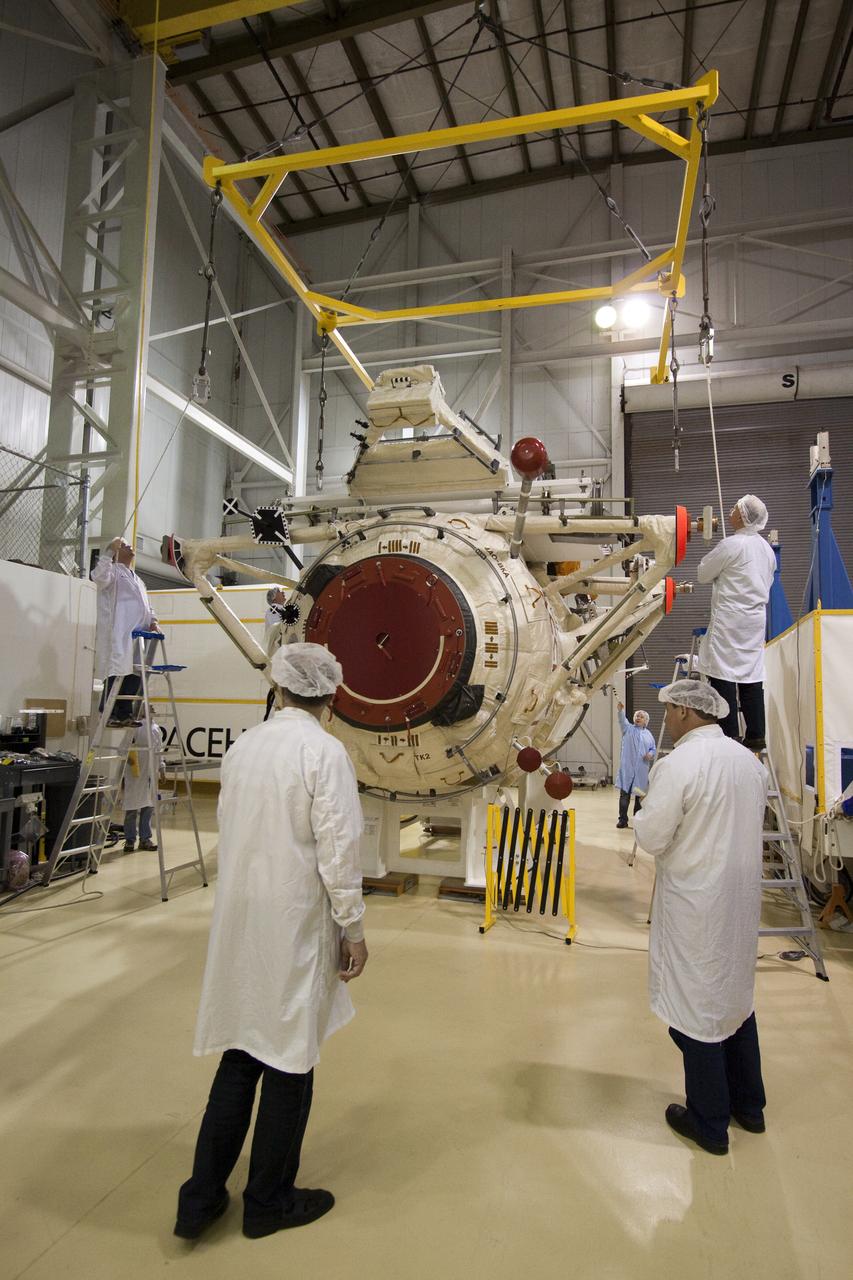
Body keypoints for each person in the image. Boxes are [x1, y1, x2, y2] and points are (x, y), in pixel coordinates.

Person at [175, 642, 367, 1242]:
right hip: (294, 925)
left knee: (242, 1051)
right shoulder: (324, 753)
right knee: (290, 1060)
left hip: (242, 923)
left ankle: (201, 1199)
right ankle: (268, 1201)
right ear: (332, 695)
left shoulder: (245, 747)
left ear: (278, 687)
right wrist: (353, 927)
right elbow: (339, 849)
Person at [633, 678, 769, 1157]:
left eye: (669, 711)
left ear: (686, 712)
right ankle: (749, 1107)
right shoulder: (748, 764)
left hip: (697, 906)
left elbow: (652, 836)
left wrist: (639, 815)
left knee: (696, 1011)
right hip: (739, 904)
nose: (666, 719)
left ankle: (709, 1123)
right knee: (736, 1000)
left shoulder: (680, 764)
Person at [696, 495, 776, 750]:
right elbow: (768, 581)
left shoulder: (732, 545)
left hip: (729, 619)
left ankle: (729, 735)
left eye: (734, 508)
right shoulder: (767, 550)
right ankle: (756, 735)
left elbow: (703, 573)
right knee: (751, 675)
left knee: (723, 674)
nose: (730, 511)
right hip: (755, 621)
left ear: (742, 516)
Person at [93, 536, 157, 726]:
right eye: (125, 545)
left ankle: (124, 713)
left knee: (135, 674)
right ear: (117, 552)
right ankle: (109, 712)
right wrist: (109, 552)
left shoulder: (138, 579)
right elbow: (98, 577)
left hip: (140, 636)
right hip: (120, 633)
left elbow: (146, 605)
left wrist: (153, 621)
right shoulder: (112, 572)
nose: (130, 547)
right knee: (117, 671)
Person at [122, 711, 164, 853]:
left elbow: (159, 751)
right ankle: (130, 840)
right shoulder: (135, 727)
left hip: (151, 774)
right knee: (132, 809)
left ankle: (145, 839)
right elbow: (122, 748)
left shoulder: (156, 729)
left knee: (148, 808)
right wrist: (129, 760)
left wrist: (162, 769)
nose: (152, 711)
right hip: (136, 774)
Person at [615, 700, 656, 829]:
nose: (638, 718)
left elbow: (653, 748)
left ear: (646, 721)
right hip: (627, 770)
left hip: (641, 772)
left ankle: (637, 820)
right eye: (637, 716)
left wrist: (650, 754)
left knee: (639, 797)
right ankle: (623, 820)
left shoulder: (648, 735)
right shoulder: (628, 729)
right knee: (624, 796)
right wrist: (620, 710)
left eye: (641, 717)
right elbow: (622, 720)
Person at [262, 587, 286, 722]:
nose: (283, 593)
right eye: (280, 592)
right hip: (280, 656)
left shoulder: (281, 610)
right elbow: (278, 630)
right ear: (274, 597)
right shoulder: (274, 610)